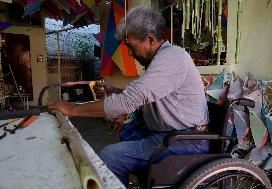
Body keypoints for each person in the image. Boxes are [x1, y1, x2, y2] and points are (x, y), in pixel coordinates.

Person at [48, 5, 209, 186]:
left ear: (150, 39)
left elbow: (129, 101)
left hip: (185, 141)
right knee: (128, 133)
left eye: (131, 47)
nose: (131, 53)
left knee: (111, 156)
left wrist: (72, 109)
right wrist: (114, 91)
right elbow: (142, 94)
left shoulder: (172, 58)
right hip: (172, 133)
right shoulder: (162, 58)